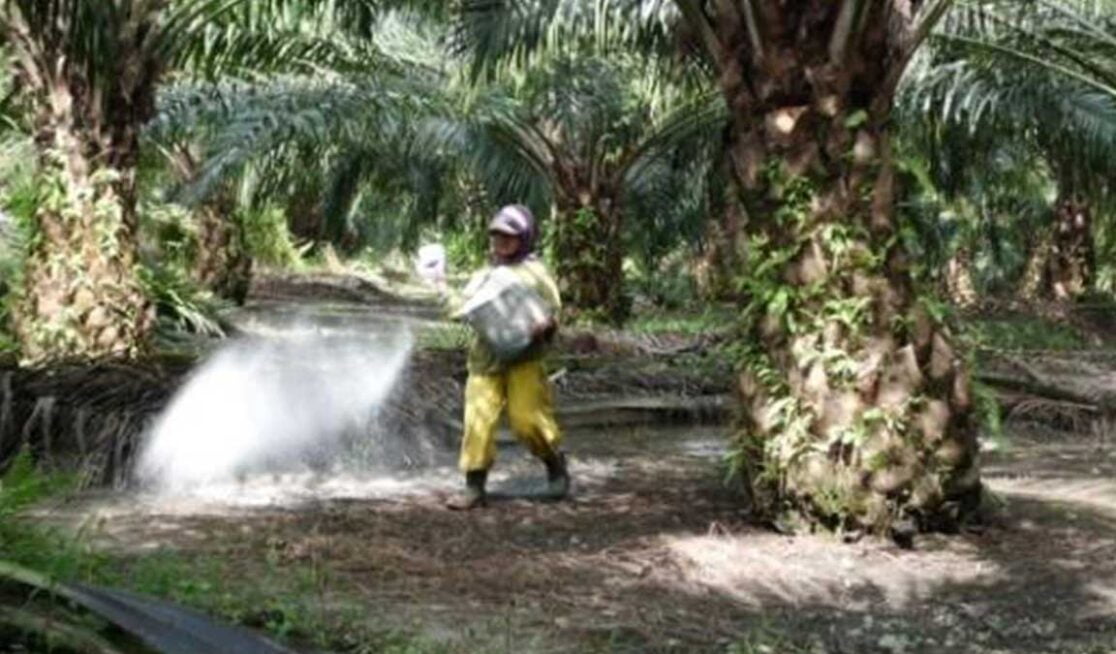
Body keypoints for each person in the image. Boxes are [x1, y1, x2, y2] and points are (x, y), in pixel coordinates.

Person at [437, 204, 569, 510]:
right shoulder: (484, 275)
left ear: (524, 237)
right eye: (496, 235)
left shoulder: (536, 273)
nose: (501, 241)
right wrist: (440, 285)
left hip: (525, 359)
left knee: (527, 421)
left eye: (508, 236)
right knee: (477, 422)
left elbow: (553, 311)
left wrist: (544, 326)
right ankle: (474, 487)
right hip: (486, 360)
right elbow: (461, 308)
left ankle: (556, 468)